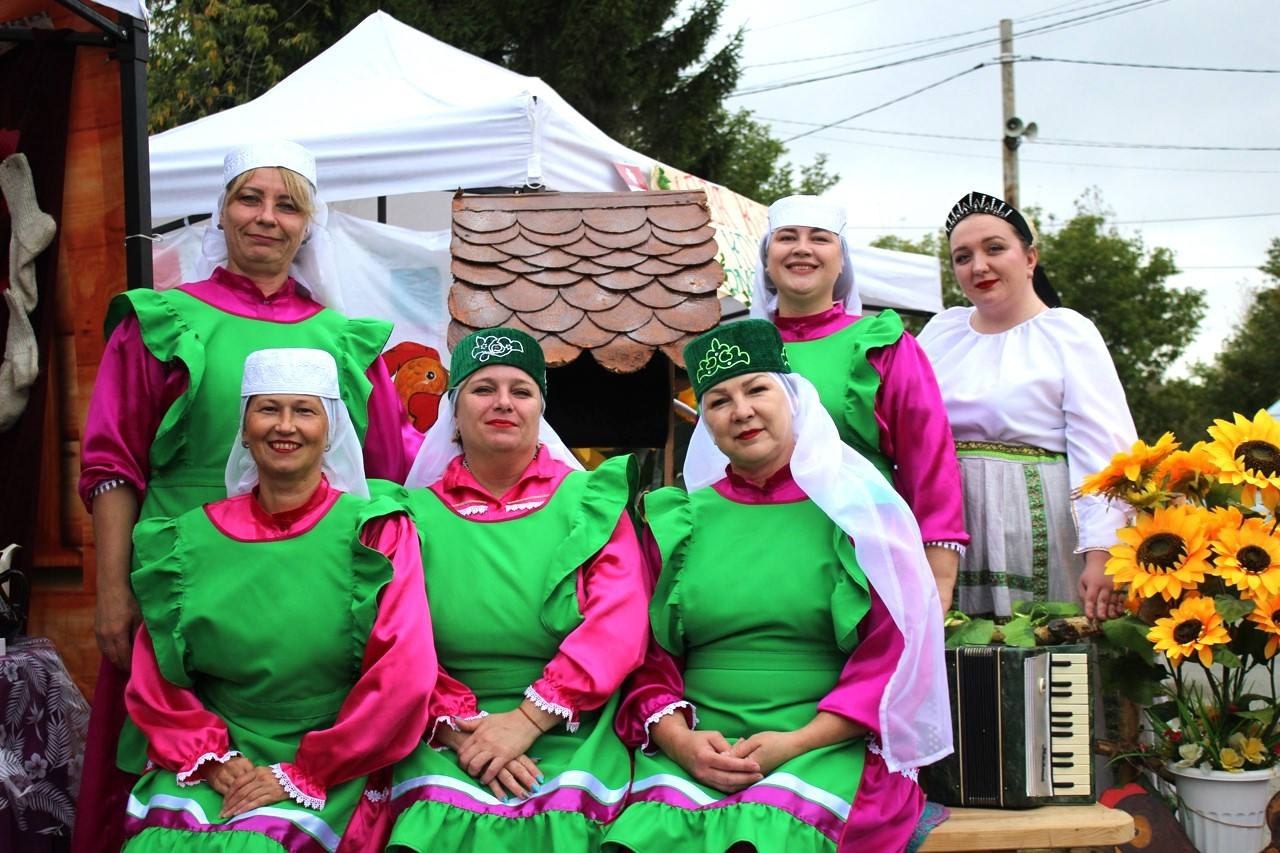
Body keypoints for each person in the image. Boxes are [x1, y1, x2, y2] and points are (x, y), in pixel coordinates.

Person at [74, 140, 419, 853]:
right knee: (155, 764)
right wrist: (113, 588)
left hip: (311, 589)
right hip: (175, 588)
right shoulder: (163, 321)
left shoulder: (343, 339)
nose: (266, 217)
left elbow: (387, 468)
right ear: (221, 211)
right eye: (249, 198)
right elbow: (113, 462)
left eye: (287, 204)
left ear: (308, 225)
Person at [605, 320, 952, 853]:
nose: (741, 411)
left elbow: (893, 654)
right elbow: (647, 655)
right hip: (702, 744)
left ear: (793, 398)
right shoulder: (676, 520)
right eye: (719, 401)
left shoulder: (861, 515)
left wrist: (796, 742)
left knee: (766, 835)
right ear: (706, 424)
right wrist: (681, 742)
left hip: (827, 743)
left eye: (757, 390)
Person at [121, 348, 434, 850]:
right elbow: (156, 674)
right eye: (268, 409)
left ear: (329, 430)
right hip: (224, 752)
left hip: (340, 755)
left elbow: (404, 670)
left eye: (304, 410)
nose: (285, 426)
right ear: (244, 429)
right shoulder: (185, 540)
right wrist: (209, 755)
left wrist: (310, 769)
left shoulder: (376, 533)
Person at [386, 327, 650, 850]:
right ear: (453, 411)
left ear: (539, 410)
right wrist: (465, 730)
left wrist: (528, 720)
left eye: (521, 390)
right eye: (483, 389)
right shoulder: (410, 517)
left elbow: (619, 624)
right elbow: (395, 638)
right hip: (442, 729)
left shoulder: (589, 503)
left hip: (572, 725)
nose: (503, 402)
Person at [918, 191, 1137, 619]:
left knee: (1040, 646)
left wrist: (1104, 551)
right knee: (957, 649)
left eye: (994, 248)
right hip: (946, 528)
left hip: (1036, 520)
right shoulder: (941, 333)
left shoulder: (1067, 332)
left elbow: (1104, 450)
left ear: (1030, 258)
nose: (979, 266)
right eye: (963, 257)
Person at [749, 195, 967, 610]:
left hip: (864, 546)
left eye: (820, 238)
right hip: (759, 543)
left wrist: (939, 570)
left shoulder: (883, 344)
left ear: (842, 261)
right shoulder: (740, 349)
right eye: (787, 237)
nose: (802, 248)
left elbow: (928, 456)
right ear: (767, 259)